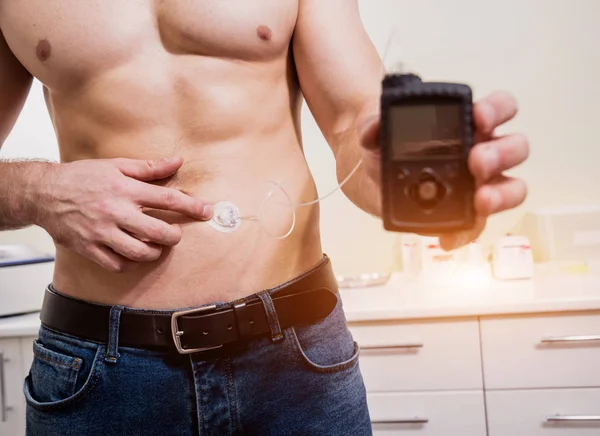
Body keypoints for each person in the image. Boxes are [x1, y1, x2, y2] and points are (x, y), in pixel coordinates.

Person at [0, 1, 529, 435]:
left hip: (295, 359)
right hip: (100, 372)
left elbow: (353, 121)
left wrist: (396, 180)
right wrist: (38, 190)